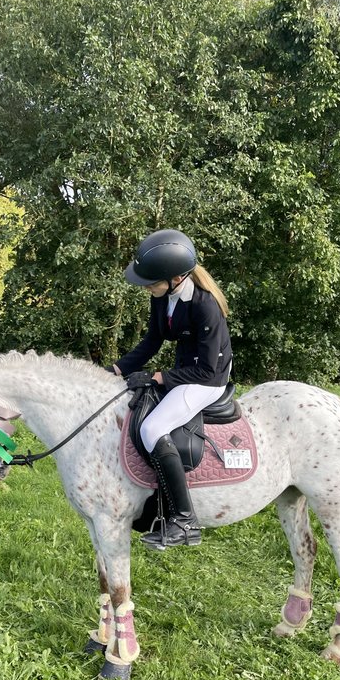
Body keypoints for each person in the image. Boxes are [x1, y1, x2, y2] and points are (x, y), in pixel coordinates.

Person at [111, 229, 233, 548]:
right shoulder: (163, 297)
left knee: (153, 427)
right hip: (185, 371)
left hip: (208, 379)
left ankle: (184, 520)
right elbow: (152, 340)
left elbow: (207, 368)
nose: (148, 287)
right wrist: (117, 369)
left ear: (176, 277)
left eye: (152, 281)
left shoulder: (205, 306)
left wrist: (159, 377)